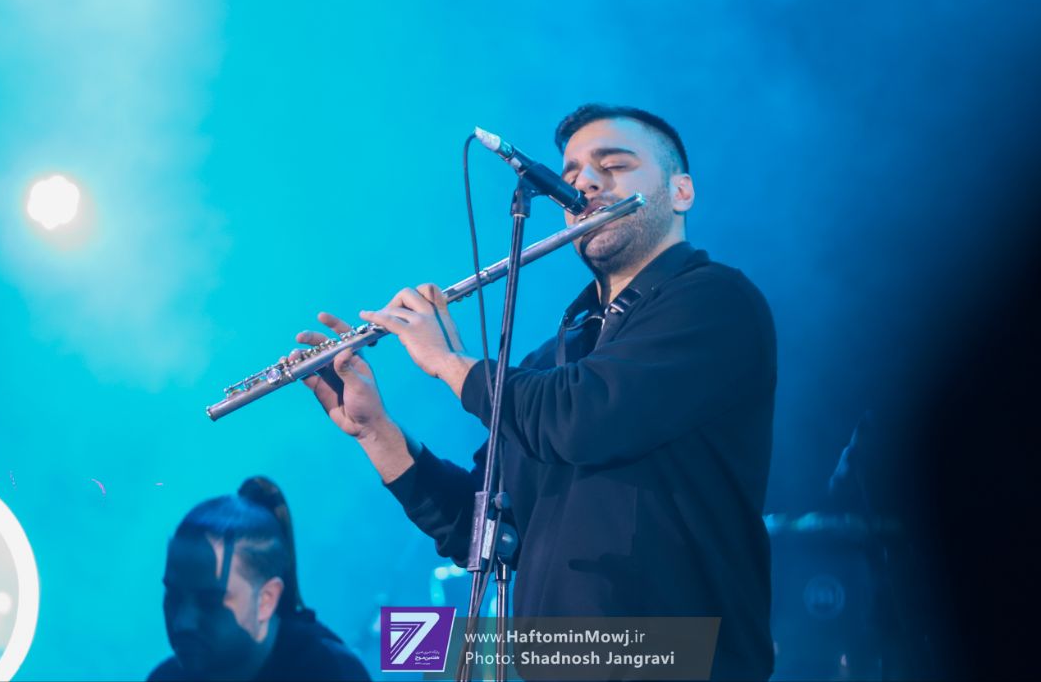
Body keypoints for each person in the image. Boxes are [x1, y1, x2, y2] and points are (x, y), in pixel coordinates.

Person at [294, 104, 776, 680]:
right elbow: (483, 528)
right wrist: (378, 433)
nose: (585, 183)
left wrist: (449, 362)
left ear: (681, 191)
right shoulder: (556, 358)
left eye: (613, 165)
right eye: (571, 175)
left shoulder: (715, 301)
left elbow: (583, 416)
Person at [149, 476, 369, 681]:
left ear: (266, 599)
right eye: (173, 596)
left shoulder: (332, 672)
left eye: (210, 602)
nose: (182, 622)